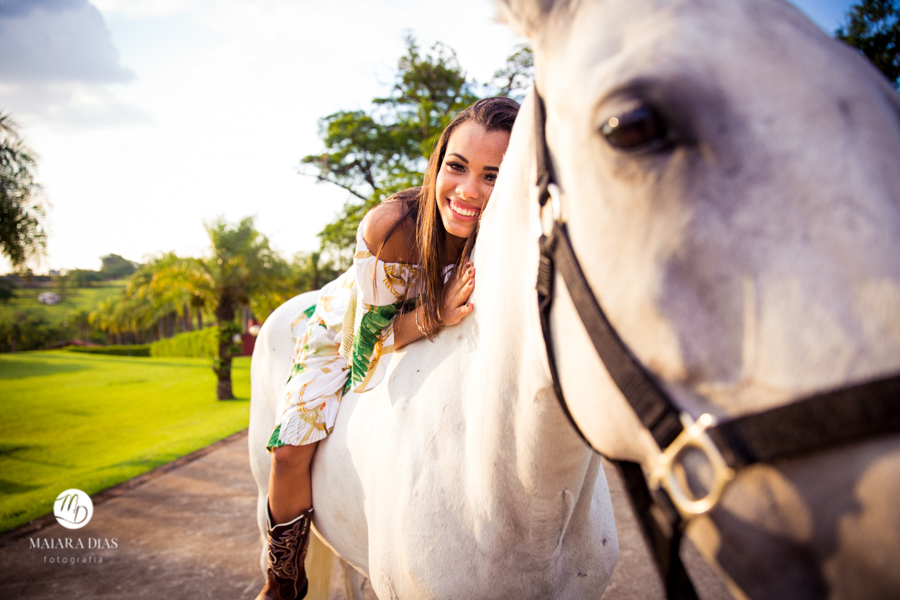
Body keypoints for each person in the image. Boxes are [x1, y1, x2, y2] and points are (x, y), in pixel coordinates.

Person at [255, 96, 520, 600]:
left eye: (492, 176)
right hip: (351, 326)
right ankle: (282, 579)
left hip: (423, 313)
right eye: (457, 167)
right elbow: (365, 345)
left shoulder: (508, 232)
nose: (468, 191)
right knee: (289, 450)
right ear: (437, 163)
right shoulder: (393, 227)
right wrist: (435, 312)